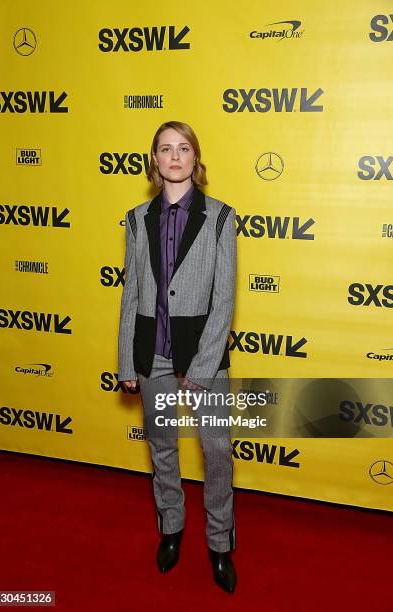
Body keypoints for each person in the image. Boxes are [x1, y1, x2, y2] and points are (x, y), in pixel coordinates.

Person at [118, 120, 237, 593]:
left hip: (203, 353)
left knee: (216, 451)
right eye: (165, 148)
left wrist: (204, 368)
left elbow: (224, 298)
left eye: (183, 148)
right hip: (153, 353)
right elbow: (130, 295)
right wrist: (128, 363)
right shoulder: (134, 218)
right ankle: (171, 528)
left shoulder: (222, 217)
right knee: (162, 446)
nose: (174, 156)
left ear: (195, 158)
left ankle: (220, 543)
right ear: (154, 159)